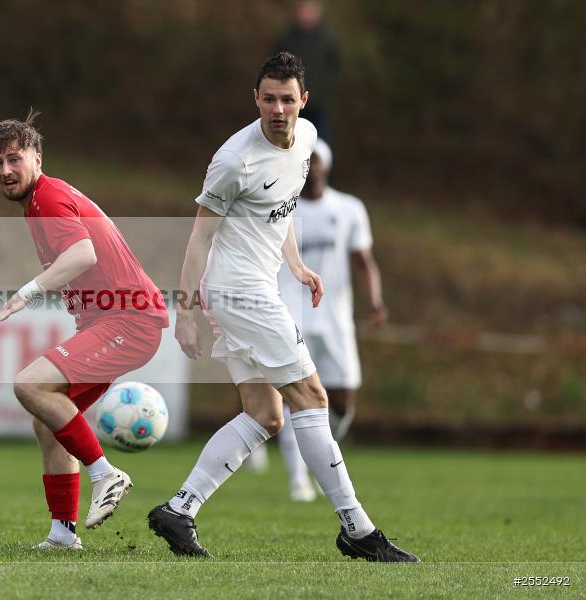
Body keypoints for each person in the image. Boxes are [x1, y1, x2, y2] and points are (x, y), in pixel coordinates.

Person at [146, 53, 418, 562]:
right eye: (268, 99)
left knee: (266, 414)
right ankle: (357, 528)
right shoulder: (235, 160)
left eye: (287, 99)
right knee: (312, 396)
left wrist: (295, 265)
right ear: (255, 99)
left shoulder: (307, 138)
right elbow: (198, 239)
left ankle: (180, 510)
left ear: (303, 101)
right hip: (239, 293)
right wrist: (184, 313)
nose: (277, 109)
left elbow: (282, 208)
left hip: (256, 289)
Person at [0, 111, 169, 550]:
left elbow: (82, 254)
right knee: (48, 420)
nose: (5, 170)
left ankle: (105, 474)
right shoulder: (41, 201)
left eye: (14, 159)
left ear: (37, 159)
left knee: (29, 385)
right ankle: (63, 534)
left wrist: (26, 293)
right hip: (117, 321)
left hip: (129, 323)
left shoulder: (48, 198)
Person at [276, 138, 387, 502]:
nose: (313, 166)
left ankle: (319, 457)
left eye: (317, 159)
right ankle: (298, 478)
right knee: (296, 398)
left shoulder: (349, 208)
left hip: (335, 319)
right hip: (293, 313)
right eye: (306, 160)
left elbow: (364, 261)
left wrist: (374, 302)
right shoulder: (281, 206)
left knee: (342, 403)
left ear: (327, 165)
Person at [271, 0, 342, 142]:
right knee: (292, 140)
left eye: (310, 10)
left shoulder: (327, 39)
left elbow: (336, 67)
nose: (306, 14)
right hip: (292, 102)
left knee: (319, 143)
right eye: (303, 10)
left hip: (318, 103)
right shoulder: (287, 39)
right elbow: (275, 65)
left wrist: (324, 87)